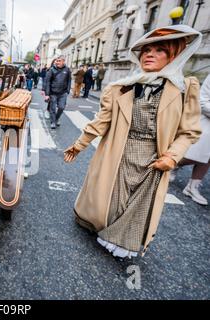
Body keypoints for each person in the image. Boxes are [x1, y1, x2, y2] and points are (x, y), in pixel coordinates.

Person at [64, 25, 203, 259]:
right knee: (109, 199)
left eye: (160, 50)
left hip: (154, 158)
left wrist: (171, 156)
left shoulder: (184, 89)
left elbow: (189, 131)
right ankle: (96, 223)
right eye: (146, 50)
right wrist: (79, 144)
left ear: (174, 55)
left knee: (138, 204)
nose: (149, 54)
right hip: (119, 151)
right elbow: (101, 121)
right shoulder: (121, 87)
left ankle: (121, 239)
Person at [170, 73, 210, 205]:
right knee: (195, 154)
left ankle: (192, 187)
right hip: (206, 121)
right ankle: (174, 164)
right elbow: (202, 101)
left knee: (208, 158)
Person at [44, 56, 71, 129]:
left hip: (63, 93)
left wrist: (67, 91)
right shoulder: (52, 70)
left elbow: (69, 81)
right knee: (52, 108)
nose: (57, 62)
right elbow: (48, 82)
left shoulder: (67, 70)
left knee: (61, 107)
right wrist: (47, 94)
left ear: (63, 61)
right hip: (53, 93)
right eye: (57, 61)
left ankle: (57, 118)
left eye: (59, 61)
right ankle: (53, 122)